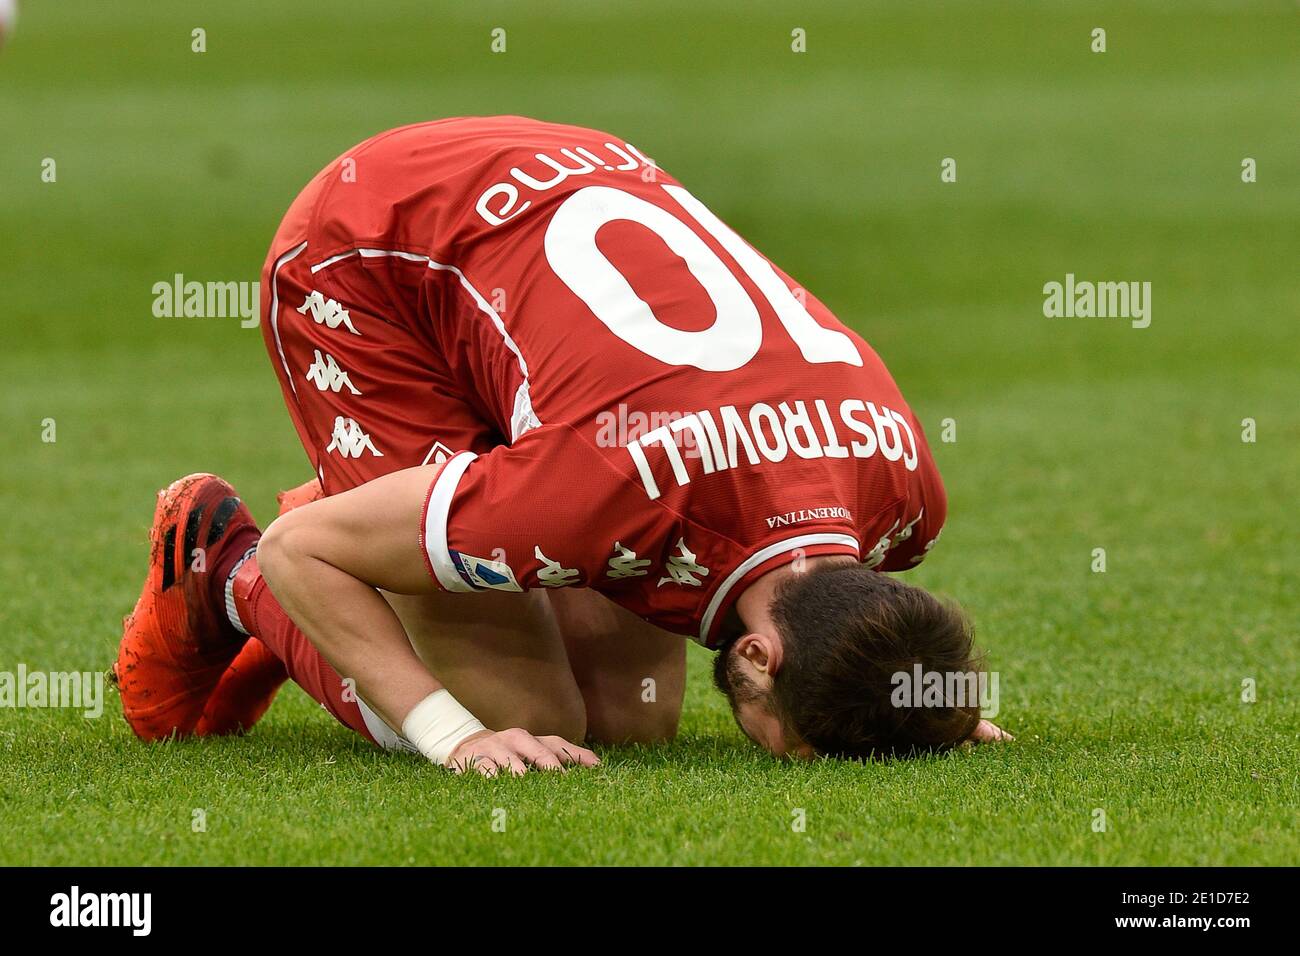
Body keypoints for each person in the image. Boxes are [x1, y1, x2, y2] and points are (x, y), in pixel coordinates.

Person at [113, 116, 1008, 775]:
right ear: (757, 657)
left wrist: (911, 696)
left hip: (548, 215)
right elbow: (300, 551)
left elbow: (855, 622)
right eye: (802, 748)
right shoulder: (596, 489)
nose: (797, 760)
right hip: (375, 250)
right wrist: (453, 738)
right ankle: (223, 568)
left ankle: (400, 532)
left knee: (631, 718)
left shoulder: (902, 499)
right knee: (520, 713)